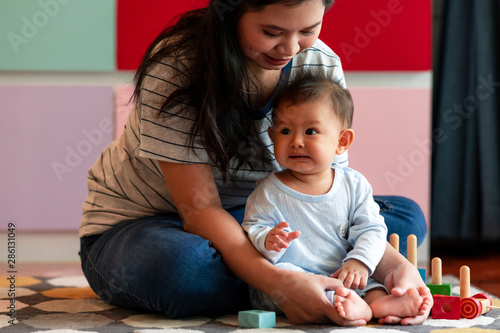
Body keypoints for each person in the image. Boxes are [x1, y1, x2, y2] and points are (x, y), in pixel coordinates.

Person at [79, 0, 431, 326]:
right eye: (272, 32)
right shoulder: (178, 67)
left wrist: (394, 267)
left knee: (405, 219)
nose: (291, 49)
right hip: (156, 224)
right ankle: (305, 283)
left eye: (308, 30)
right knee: (185, 271)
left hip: (273, 224)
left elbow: (333, 194)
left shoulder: (320, 65)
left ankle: (301, 280)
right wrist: (279, 283)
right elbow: (198, 209)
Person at [242, 72, 430, 324]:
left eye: (310, 131)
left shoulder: (353, 185)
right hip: (297, 280)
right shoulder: (267, 191)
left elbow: (372, 229)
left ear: (342, 141)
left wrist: (359, 261)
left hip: (345, 273)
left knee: (370, 276)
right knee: (284, 274)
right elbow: (252, 228)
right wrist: (267, 239)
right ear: (272, 135)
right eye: (285, 131)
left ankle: (379, 301)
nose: (296, 142)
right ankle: (349, 306)